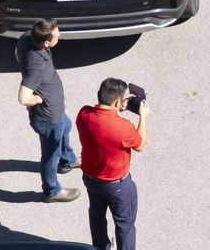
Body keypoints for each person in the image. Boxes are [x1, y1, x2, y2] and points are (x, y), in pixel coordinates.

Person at [76, 78, 148, 250]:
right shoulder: (123, 127)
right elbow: (140, 145)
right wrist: (143, 117)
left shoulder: (84, 114)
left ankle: (101, 247)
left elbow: (103, 117)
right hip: (117, 186)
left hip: (91, 179)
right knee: (125, 225)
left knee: (97, 216)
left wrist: (118, 108)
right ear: (117, 101)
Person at [15, 18, 79, 203]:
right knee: (51, 155)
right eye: (57, 36)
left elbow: (16, 53)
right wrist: (38, 99)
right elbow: (23, 98)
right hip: (48, 118)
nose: (60, 36)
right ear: (46, 42)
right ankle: (52, 190)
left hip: (56, 113)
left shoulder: (27, 37)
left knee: (66, 126)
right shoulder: (36, 66)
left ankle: (67, 160)